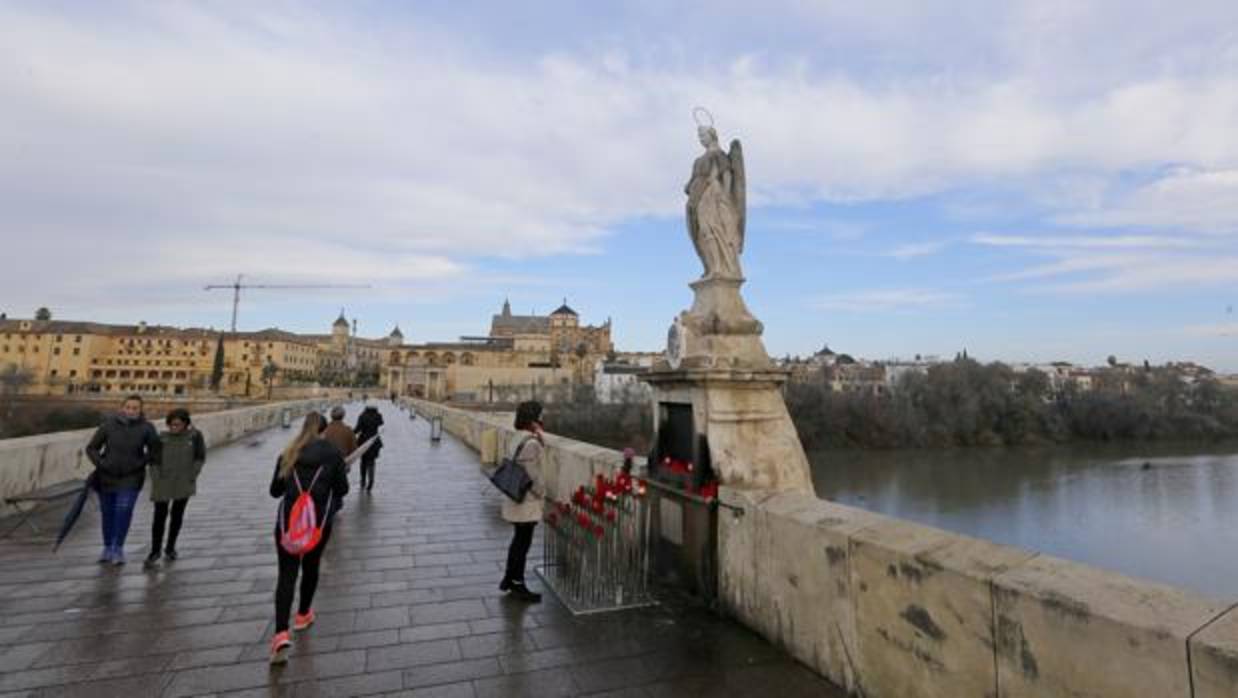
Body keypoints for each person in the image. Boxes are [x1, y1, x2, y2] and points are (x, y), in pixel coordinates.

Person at [269, 412, 349, 665]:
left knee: (286, 575)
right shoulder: (332, 454)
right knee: (311, 567)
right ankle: (303, 614)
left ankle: (281, 633)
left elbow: (275, 491)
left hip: (288, 524)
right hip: (317, 523)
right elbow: (342, 490)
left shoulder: (289, 452)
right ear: (324, 430)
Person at [85, 395, 160, 565]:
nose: (131, 411)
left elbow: (155, 450)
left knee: (124, 511)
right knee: (108, 513)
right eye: (128, 407)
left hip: (131, 477)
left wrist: (139, 463)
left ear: (141, 410)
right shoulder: (108, 426)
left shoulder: (147, 428)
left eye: (135, 408)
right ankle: (107, 547)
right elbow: (92, 448)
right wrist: (102, 463)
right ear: (122, 408)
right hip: (107, 476)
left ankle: (118, 548)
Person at [145, 408, 206, 567]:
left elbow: (200, 457)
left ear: (186, 424)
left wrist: (192, 475)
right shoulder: (161, 439)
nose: (174, 428)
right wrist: (156, 479)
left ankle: (170, 547)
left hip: (184, 482)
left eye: (178, 425)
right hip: (163, 482)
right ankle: (155, 550)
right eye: (171, 425)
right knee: (159, 517)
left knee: (177, 515)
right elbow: (153, 461)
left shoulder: (195, 437)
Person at [499, 400, 546, 602]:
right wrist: (542, 493)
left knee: (517, 541)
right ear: (533, 418)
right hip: (526, 502)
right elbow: (534, 476)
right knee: (522, 543)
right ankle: (517, 583)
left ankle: (509, 579)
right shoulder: (532, 443)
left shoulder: (517, 437)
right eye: (540, 416)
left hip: (514, 496)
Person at [353, 405, 384, 492]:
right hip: (374, 441)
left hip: (363, 441)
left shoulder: (362, 416)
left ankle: (363, 480)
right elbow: (381, 423)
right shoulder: (378, 416)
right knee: (372, 462)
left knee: (363, 461)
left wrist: (350, 433)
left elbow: (357, 429)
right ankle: (371, 480)